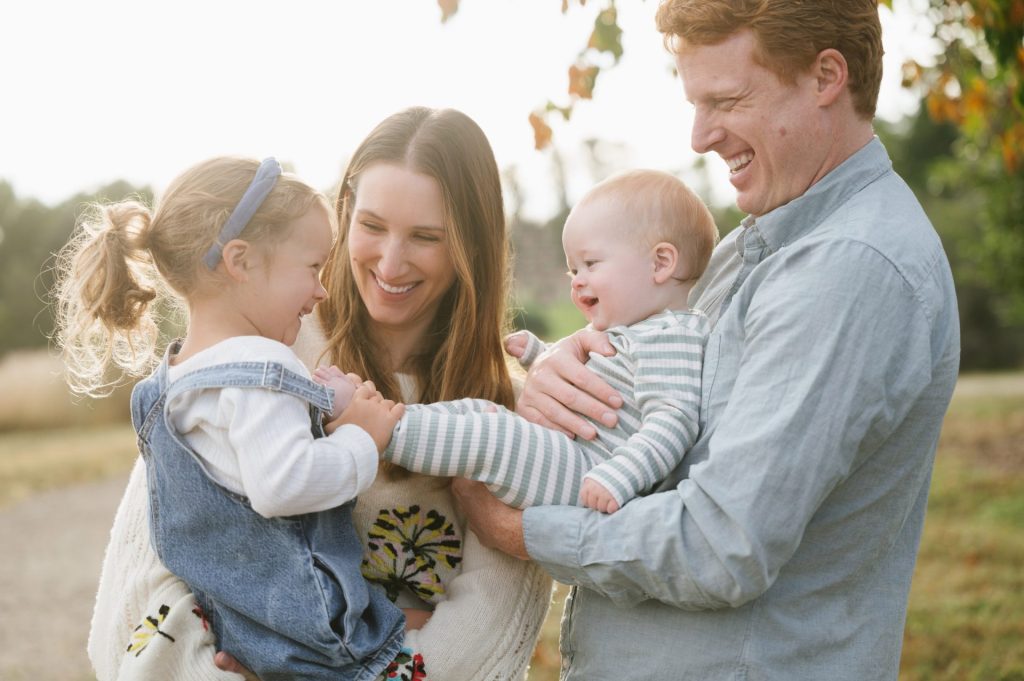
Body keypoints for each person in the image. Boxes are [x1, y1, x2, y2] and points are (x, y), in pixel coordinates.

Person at [453, 2, 961, 680]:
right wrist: (571, 370)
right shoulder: (762, 244)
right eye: (696, 103)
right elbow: (672, 420)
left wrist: (519, 530)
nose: (699, 136)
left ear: (826, 77)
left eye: (727, 100)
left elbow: (722, 544)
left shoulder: (848, 267)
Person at [83, 108, 551, 681]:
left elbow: (494, 620)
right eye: (372, 226)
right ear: (345, 212)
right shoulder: (256, 351)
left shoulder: (506, 409)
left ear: (470, 246)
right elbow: (148, 575)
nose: (391, 261)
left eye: (426, 237)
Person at [54, 155, 408, 680]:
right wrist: (362, 438)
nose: (322, 290)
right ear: (240, 260)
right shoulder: (263, 367)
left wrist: (322, 405)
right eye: (312, 268)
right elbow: (282, 483)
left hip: (237, 631)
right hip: (313, 639)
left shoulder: (174, 383)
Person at [320, 169, 716, 514]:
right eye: (573, 269)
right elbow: (592, 387)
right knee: (482, 413)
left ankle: (383, 432)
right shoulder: (634, 332)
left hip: (592, 471)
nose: (577, 280)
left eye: (591, 264)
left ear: (660, 263)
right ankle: (388, 415)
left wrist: (619, 477)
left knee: (494, 439)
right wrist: (538, 355)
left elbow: (672, 421)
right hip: (576, 456)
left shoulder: (671, 337)